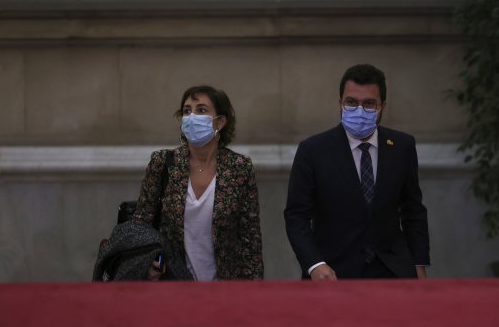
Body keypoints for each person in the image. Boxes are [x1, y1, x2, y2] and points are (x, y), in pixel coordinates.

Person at [284, 64, 430, 280]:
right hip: (332, 272)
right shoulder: (313, 150)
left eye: (369, 103)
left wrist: (419, 263)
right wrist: (315, 264)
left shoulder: (402, 146)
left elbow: (413, 210)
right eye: (351, 102)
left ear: (382, 106)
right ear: (340, 104)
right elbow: (296, 215)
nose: (359, 110)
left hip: (393, 270)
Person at [134, 85, 264, 281]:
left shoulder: (239, 168)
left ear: (220, 122)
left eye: (201, 110)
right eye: (187, 111)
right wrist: (146, 263)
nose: (192, 117)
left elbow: (250, 238)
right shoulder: (163, 163)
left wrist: (254, 291)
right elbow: (141, 223)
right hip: (173, 283)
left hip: (225, 288)